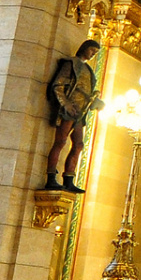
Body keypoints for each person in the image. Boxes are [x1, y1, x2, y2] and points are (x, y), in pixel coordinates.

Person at [44, 40, 103, 192]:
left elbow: (86, 91)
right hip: (69, 110)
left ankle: (69, 178)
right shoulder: (70, 64)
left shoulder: (88, 70)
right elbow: (58, 85)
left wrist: (95, 100)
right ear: (84, 48)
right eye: (91, 50)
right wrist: (66, 104)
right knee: (60, 141)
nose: (92, 54)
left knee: (78, 144)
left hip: (80, 111)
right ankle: (51, 177)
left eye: (95, 53)